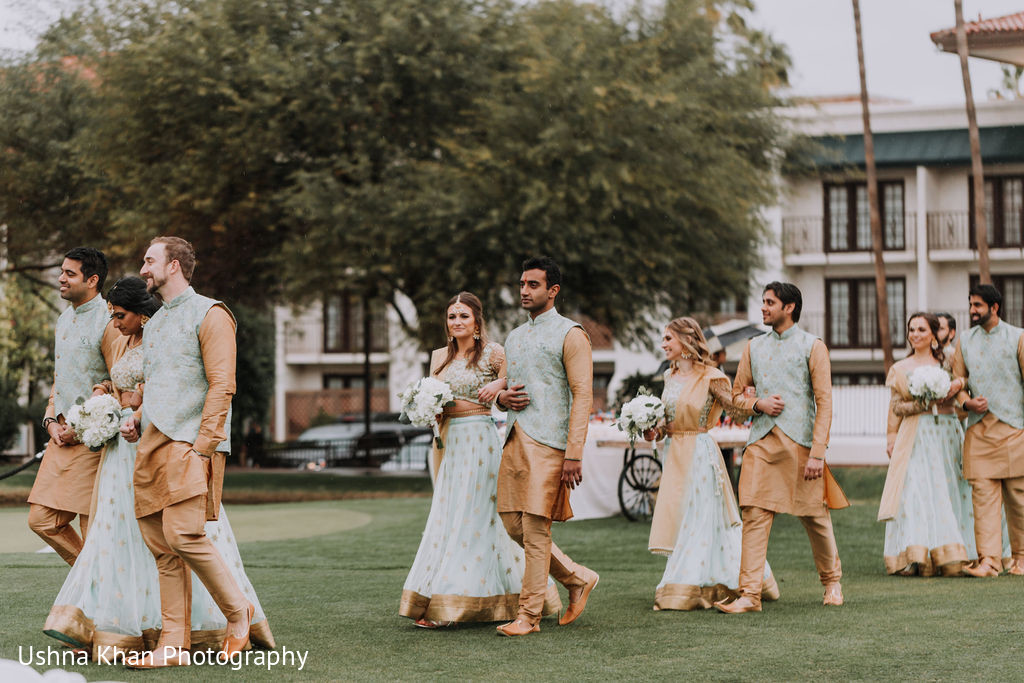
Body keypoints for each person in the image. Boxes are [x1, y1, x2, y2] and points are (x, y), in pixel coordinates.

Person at [43, 276, 274, 656]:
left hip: (161, 444)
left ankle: (219, 619)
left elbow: (181, 385)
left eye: (120, 315)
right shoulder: (124, 338)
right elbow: (118, 383)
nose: (114, 323)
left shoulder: (175, 329)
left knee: (182, 535)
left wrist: (143, 410)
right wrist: (103, 399)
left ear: (140, 314)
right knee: (120, 536)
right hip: (122, 451)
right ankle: (119, 629)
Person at [120, 237, 253, 667]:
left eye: (149, 260)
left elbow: (223, 384)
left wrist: (204, 446)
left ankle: (238, 614)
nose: (143, 268)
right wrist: (135, 418)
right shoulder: (154, 324)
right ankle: (172, 646)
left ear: (173, 265)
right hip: (151, 444)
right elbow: (157, 384)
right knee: (161, 547)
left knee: (183, 535)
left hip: (191, 443)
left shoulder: (211, 313)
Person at [400, 292, 561, 628]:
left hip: (481, 440)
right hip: (449, 442)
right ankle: (444, 596)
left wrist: (500, 386)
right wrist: (423, 406)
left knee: (479, 514)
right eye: (451, 317)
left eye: (463, 316)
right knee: (450, 513)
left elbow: (515, 384)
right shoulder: (439, 357)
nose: (456, 322)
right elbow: (433, 396)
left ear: (476, 321)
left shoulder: (494, 353)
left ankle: (466, 602)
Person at [715, 282, 848, 614]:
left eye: (769, 302)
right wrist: (758, 403)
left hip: (802, 447)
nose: (763, 307)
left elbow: (825, 402)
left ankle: (832, 582)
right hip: (761, 444)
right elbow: (734, 398)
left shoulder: (812, 346)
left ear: (789, 308)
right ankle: (749, 595)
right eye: (763, 301)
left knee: (815, 517)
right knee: (754, 514)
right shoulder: (753, 347)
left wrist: (818, 452)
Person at [493, 257, 599, 636]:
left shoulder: (572, 334)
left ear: (552, 290)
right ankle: (576, 578)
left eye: (533, 285)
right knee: (511, 524)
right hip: (515, 439)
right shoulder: (515, 337)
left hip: (552, 444)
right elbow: (507, 388)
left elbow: (583, 394)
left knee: (536, 531)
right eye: (522, 283)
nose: (524, 290)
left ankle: (528, 616)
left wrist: (574, 453)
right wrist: (503, 399)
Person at [646, 317, 779, 610]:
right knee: (681, 516)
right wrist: (653, 430)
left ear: (687, 340)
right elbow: (667, 421)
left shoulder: (712, 377)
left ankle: (689, 585)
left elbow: (734, 407)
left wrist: (757, 403)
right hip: (674, 453)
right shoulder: (669, 378)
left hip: (699, 453)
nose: (663, 344)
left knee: (699, 517)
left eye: (668, 338)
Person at [28, 247, 119, 566]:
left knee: (91, 527)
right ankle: (94, 581)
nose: (61, 278)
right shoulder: (64, 319)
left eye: (70, 273)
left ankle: (97, 602)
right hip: (59, 439)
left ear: (92, 280)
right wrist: (50, 420)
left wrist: (80, 427)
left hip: (93, 443)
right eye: (61, 271)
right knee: (41, 520)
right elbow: (61, 377)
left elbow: (116, 381)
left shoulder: (110, 321)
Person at [877, 312, 974, 576]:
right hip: (916, 435)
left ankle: (951, 555)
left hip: (947, 433)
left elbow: (966, 381)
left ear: (933, 334)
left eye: (921, 329)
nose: (915, 334)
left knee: (947, 490)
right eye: (911, 330)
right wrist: (923, 403)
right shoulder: (900, 368)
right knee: (916, 491)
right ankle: (915, 555)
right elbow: (896, 406)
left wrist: (955, 386)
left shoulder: (949, 361)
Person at [951, 284, 1024, 577]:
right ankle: (989, 562)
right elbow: (957, 381)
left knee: (1019, 499)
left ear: (995, 308)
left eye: (978, 305)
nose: (972, 311)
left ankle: (1020, 558)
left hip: (1015, 430)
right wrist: (967, 403)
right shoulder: (965, 341)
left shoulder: (1018, 337)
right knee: (983, 500)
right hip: (979, 432)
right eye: (971, 304)